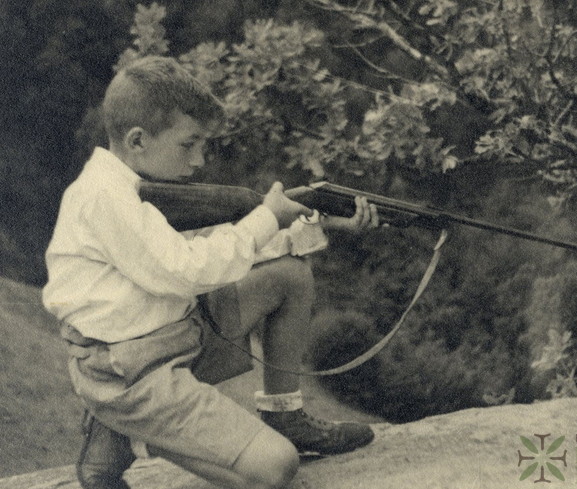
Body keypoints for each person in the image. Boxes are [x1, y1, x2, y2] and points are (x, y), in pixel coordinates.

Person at [42, 55, 379, 489]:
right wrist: (265, 217)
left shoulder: (140, 185)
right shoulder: (106, 198)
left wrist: (324, 223)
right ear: (138, 140)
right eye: (189, 144)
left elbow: (220, 247)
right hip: (133, 371)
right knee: (278, 468)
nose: (199, 159)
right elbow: (188, 269)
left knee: (288, 276)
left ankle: (284, 415)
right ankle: (146, 428)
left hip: (180, 333)